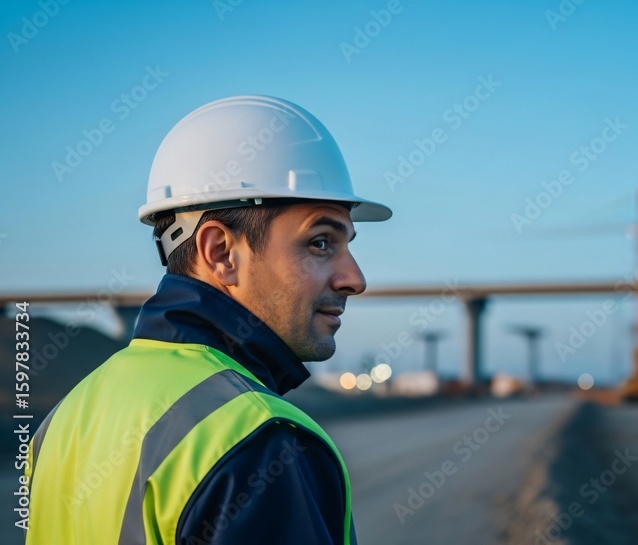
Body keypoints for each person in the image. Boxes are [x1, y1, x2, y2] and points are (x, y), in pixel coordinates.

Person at [24, 95, 391, 544]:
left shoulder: (63, 420)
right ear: (221, 254)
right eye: (320, 242)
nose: (355, 278)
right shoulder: (257, 442)